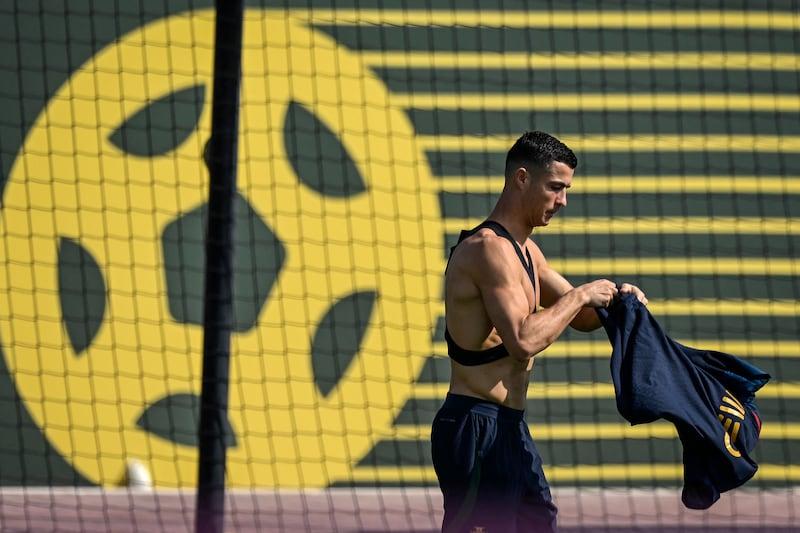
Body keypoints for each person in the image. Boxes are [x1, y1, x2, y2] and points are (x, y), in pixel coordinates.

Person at [430, 130, 648, 533]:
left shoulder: (528, 252)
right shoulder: (487, 250)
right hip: (475, 426)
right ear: (522, 178)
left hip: (511, 427)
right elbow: (523, 340)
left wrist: (617, 302)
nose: (563, 200)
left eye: (566, 190)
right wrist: (582, 293)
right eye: (556, 188)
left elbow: (579, 316)